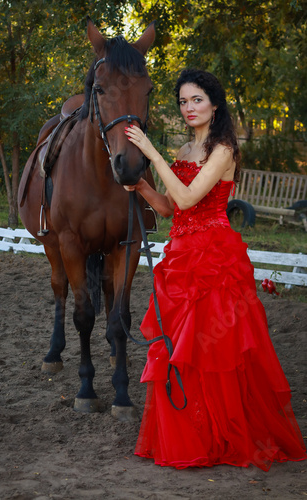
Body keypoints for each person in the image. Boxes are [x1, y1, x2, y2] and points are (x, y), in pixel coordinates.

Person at [123, 68, 307, 470]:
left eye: (197, 100)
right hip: (181, 256)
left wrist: (152, 153)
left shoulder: (224, 149)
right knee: (181, 351)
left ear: (214, 104)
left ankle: (222, 433)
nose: (189, 108)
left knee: (212, 350)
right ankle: (191, 435)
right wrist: (142, 187)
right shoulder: (186, 151)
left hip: (214, 258)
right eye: (183, 101)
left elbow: (189, 198)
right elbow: (171, 208)